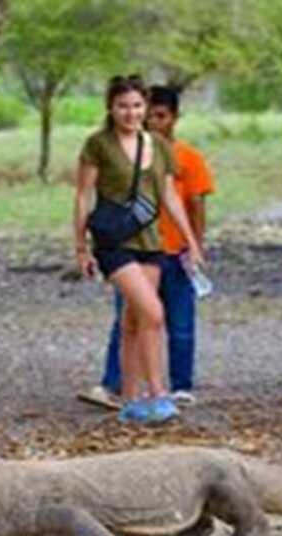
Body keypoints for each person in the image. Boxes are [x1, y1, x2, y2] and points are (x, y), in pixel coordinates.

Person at [73, 75, 206, 424]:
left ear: (145, 108)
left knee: (134, 320)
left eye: (136, 105)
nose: (130, 113)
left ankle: (130, 400)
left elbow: (169, 196)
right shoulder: (98, 145)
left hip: (150, 242)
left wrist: (191, 241)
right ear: (110, 108)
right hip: (113, 243)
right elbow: (83, 195)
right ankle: (158, 393)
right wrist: (80, 247)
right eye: (122, 106)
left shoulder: (158, 146)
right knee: (154, 312)